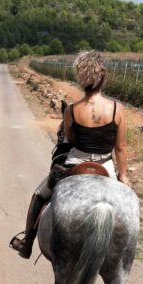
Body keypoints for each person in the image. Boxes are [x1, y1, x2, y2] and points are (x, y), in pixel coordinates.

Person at [9, 50, 130, 259]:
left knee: (39, 196)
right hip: (106, 166)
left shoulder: (72, 110)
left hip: (75, 163)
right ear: (103, 77)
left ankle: (27, 243)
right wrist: (124, 175)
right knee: (128, 205)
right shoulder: (116, 109)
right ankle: (125, 252)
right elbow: (120, 147)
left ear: (81, 78)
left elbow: (71, 141)